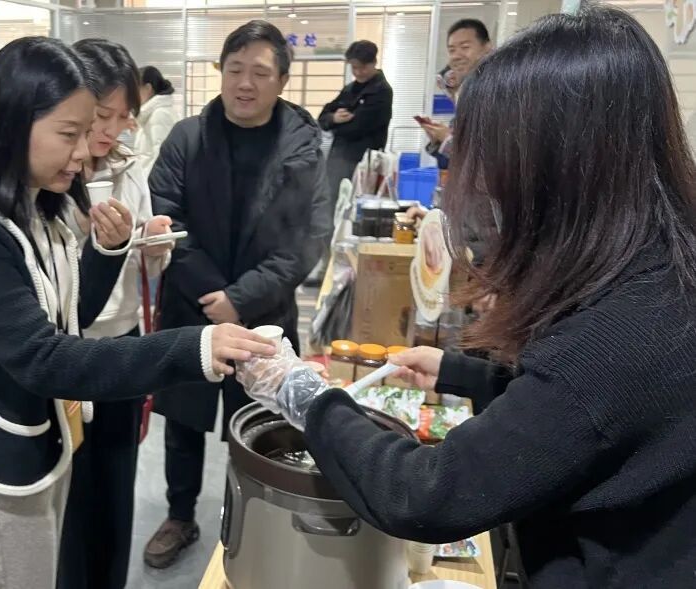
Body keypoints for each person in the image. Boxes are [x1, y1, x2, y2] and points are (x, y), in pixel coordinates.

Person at [238, 5, 696, 587]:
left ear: (557, 166)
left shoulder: (620, 333)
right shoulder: (659, 272)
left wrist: (302, 394)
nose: (479, 184)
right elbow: (578, 417)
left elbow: (429, 494)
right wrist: (462, 373)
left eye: (488, 159)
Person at [0, 36, 274, 589]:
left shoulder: (41, 210)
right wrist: (193, 347)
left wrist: (108, 250)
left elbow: (73, 315)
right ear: (14, 123)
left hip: (45, 449)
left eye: (92, 131)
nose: (86, 152)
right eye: (71, 134)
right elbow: (44, 358)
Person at [143, 20, 331, 568]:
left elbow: (308, 240)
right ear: (221, 73)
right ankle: (180, 516)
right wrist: (212, 294)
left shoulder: (301, 148)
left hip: (263, 314)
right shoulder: (187, 138)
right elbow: (166, 219)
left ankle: (254, 520)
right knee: (183, 421)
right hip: (192, 307)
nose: (245, 83)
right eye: (234, 69)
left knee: (262, 424)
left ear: (282, 82)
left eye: (260, 73)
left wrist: (240, 300)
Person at [56, 39, 172, 589]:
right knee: (71, 496)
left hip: (123, 344)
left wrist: (154, 244)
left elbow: (145, 258)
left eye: (124, 117)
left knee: (116, 486)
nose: (111, 130)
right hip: (66, 352)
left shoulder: (130, 168)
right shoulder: (50, 173)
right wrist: (89, 241)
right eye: (101, 115)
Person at [319, 40, 393, 206]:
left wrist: (335, 126)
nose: (358, 72)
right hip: (338, 160)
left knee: (356, 206)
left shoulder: (381, 91)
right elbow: (323, 117)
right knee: (331, 203)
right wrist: (333, 118)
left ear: (374, 62)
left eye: (363, 67)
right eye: (354, 68)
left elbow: (356, 128)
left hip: (363, 162)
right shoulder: (350, 89)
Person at [420, 19, 491, 170]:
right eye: (452, 50)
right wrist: (438, 140)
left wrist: (447, 140)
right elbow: (449, 164)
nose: (456, 56)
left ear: (487, 48)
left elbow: (487, 163)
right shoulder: (467, 96)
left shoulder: (498, 92)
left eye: (465, 47)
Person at [134, 65, 180, 178]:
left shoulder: (160, 115)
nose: (133, 96)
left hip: (152, 183)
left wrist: (145, 182)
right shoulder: (149, 114)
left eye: (136, 90)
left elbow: (161, 158)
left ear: (148, 88)